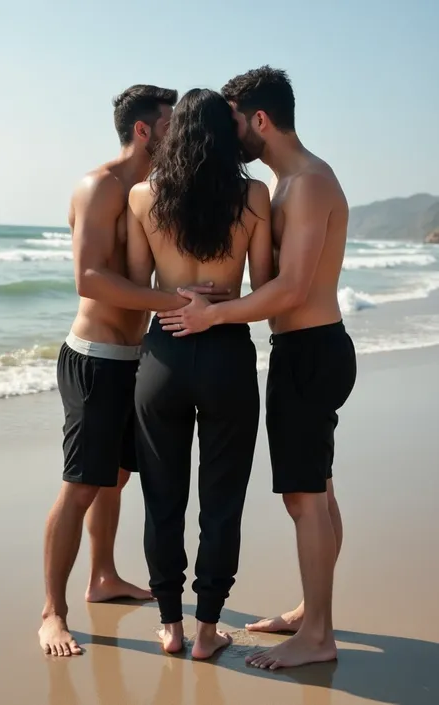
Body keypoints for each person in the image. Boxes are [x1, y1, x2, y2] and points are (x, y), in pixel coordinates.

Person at [157, 67, 357, 670]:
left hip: (311, 348)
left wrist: (212, 318)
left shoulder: (309, 182)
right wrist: (225, 302)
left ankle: (318, 634)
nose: (230, 132)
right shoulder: (290, 183)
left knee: (304, 499)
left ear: (259, 120)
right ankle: (310, 609)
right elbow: (276, 287)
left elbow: (292, 290)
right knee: (318, 490)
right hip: (308, 349)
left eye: (236, 120)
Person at [39, 84, 229, 657]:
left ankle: (103, 576)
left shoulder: (154, 191)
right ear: (145, 130)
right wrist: (174, 302)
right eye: (172, 124)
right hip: (96, 359)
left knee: (116, 478)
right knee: (81, 484)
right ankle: (52, 611)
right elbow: (90, 279)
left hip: (135, 358)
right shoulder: (100, 186)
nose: (180, 133)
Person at [126, 88, 273, 660]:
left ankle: (170, 624)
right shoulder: (254, 195)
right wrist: (215, 301)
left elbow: (141, 287)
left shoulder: (144, 197)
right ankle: (208, 628)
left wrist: (175, 297)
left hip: (163, 352)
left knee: (162, 496)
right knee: (222, 499)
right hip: (227, 350)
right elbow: (264, 290)